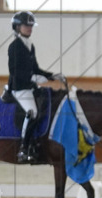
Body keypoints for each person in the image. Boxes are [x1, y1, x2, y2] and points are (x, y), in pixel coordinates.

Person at [7, 11, 63, 164]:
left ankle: (37, 143)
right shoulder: (14, 47)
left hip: (30, 87)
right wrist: (33, 78)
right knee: (32, 112)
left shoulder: (29, 46)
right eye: (26, 26)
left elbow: (36, 69)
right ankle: (23, 148)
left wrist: (52, 76)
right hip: (19, 88)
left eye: (31, 26)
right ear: (17, 27)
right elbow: (15, 72)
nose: (29, 28)